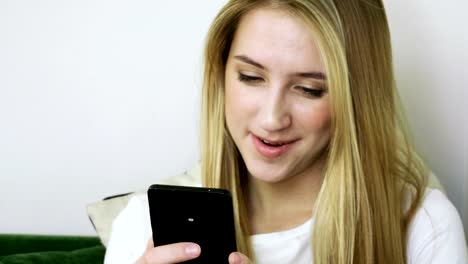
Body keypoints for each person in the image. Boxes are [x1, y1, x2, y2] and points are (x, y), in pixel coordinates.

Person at [104, 0, 468, 263]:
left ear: (356, 98)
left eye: (309, 89)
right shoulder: (141, 225)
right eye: (251, 77)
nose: (272, 119)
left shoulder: (423, 224)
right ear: (222, 75)